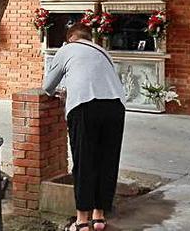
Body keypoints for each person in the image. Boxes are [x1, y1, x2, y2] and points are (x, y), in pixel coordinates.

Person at [43, 23, 126, 231]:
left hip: (85, 105)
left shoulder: (67, 49)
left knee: (84, 162)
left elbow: (47, 86)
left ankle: (81, 221)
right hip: (115, 106)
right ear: (89, 38)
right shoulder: (103, 52)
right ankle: (99, 217)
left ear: (71, 38)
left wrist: (61, 91)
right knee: (107, 161)